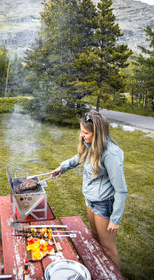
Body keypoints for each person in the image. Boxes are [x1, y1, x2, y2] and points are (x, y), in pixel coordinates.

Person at [51, 111, 127, 271]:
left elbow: (121, 190)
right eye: (81, 131)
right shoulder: (91, 146)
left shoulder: (110, 154)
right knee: (94, 237)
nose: (81, 135)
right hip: (90, 199)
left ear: (97, 133)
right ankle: (103, 270)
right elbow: (79, 157)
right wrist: (62, 167)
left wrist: (115, 219)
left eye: (85, 133)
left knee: (108, 247)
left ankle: (115, 275)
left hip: (103, 203)